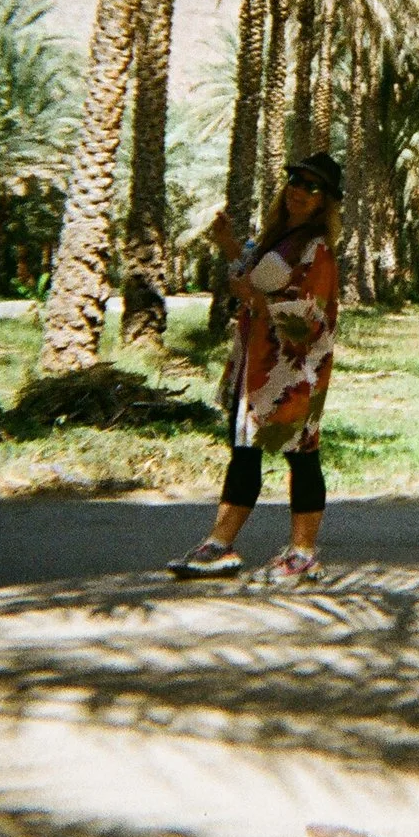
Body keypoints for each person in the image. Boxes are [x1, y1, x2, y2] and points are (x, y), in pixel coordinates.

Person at [168, 152, 344, 585]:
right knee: (243, 450)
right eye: (295, 182)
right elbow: (249, 273)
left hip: (295, 369)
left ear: (326, 202)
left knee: (301, 454)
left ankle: (303, 554)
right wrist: (228, 244)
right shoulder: (279, 237)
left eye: (312, 187)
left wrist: (254, 300)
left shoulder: (314, 246)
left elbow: (311, 316)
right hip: (257, 362)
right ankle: (219, 544)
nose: (299, 192)